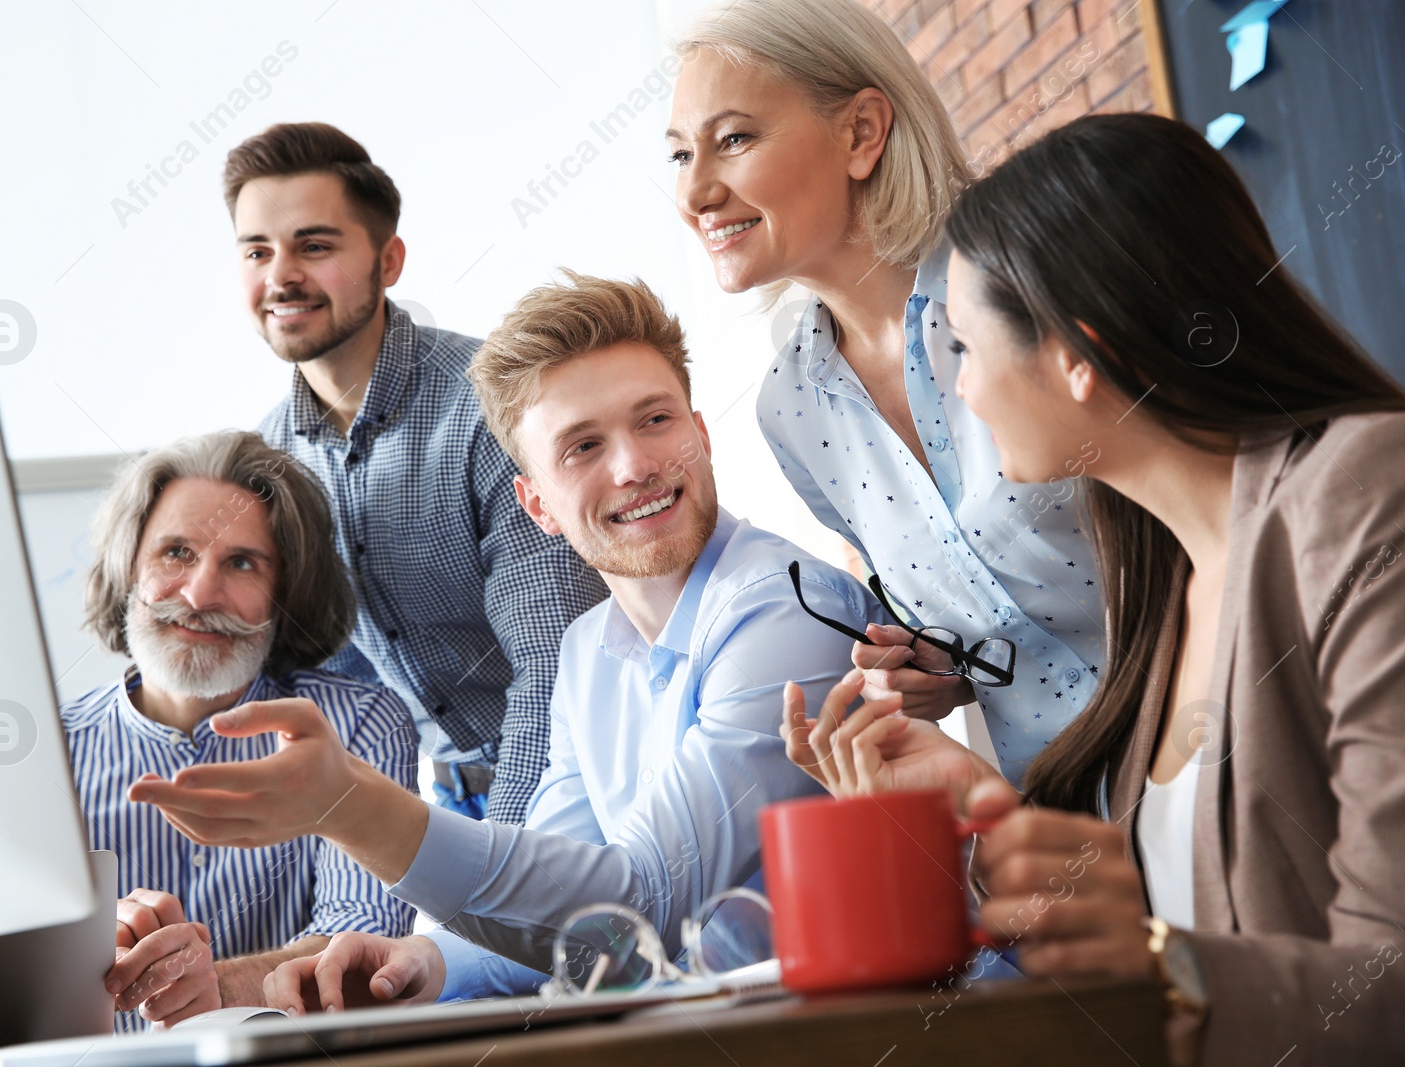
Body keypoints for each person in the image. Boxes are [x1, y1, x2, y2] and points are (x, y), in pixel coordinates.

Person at [786, 114, 1405, 1066]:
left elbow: (1383, 983)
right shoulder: (1163, 571)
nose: (963, 393)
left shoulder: (1366, 496)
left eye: (963, 348)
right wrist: (981, 801)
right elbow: (1206, 927)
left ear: (1078, 354)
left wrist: (1161, 960)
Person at [128, 274, 886, 1009]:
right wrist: (418, 963)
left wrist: (353, 807)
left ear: (701, 433)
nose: (633, 465)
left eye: (655, 420)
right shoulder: (589, 648)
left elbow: (637, 901)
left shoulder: (790, 609)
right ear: (538, 505)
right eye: (582, 447)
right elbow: (563, 901)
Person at [667, 0, 1105, 786]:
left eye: (733, 139)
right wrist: (935, 668)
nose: (696, 191)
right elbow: (986, 626)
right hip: (1071, 821)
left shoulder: (1030, 266)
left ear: (862, 133)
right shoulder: (791, 409)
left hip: (1239, 735)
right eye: (678, 155)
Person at [227, 122, 608, 822]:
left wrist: (499, 858)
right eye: (257, 250)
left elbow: (558, 663)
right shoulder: (270, 460)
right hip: (442, 802)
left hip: (582, 781)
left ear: (389, 259)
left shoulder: (490, 408)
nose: (280, 275)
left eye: (314, 245)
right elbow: (324, 687)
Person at [63, 431, 417, 1030]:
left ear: (286, 590)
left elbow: (362, 943)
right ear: (128, 567)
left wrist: (213, 986)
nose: (200, 595)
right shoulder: (49, 751)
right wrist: (83, 942)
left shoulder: (357, 724)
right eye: (175, 553)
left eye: (242, 563)